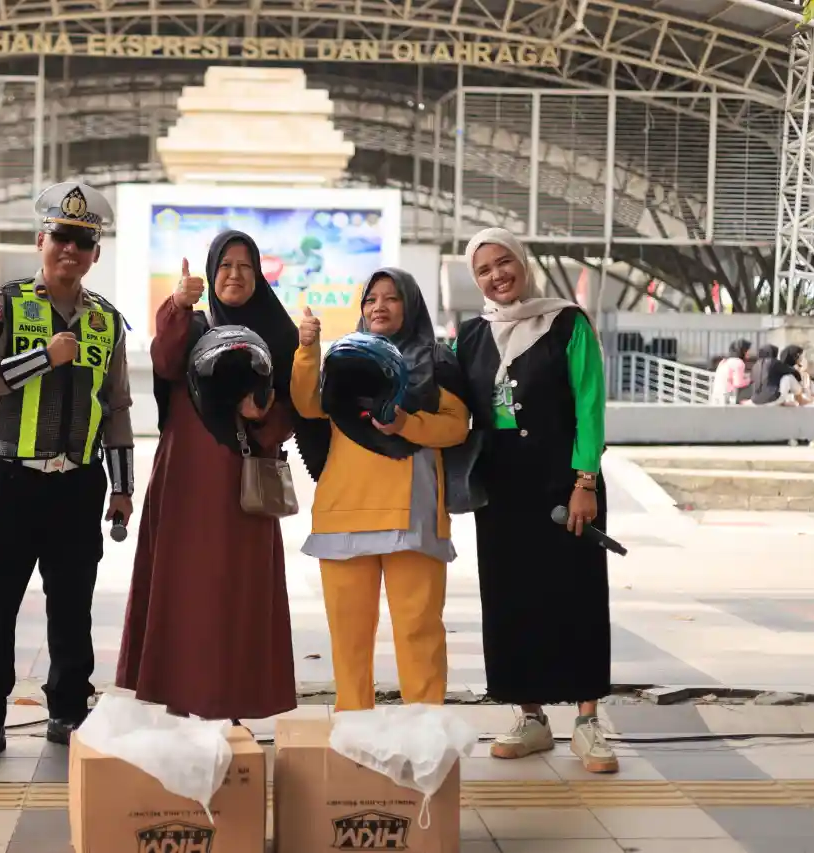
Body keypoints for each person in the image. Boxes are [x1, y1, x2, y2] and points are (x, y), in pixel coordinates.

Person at [0, 181, 135, 766]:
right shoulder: (4, 304)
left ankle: (68, 710)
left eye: (83, 242)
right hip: (8, 478)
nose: (70, 250)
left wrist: (124, 488)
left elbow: (118, 409)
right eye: (61, 237)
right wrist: (41, 357)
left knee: (72, 603)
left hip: (78, 485)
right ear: (40, 240)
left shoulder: (107, 322)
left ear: (95, 255)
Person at [116, 230, 300, 723]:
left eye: (245, 266)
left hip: (241, 484)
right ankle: (180, 696)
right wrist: (176, 304)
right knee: (183, 588)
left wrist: (262, 413)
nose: (235, 275)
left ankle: (231, 701)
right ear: (211, 271)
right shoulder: (192, 326)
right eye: (225, 266)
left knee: (234, 591)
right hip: (186, 479)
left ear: (258, 274)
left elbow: (293, 410)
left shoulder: (279, 335)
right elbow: (165, 360)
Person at [455, 227, 616, 774]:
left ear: (522, 263)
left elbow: (589, 403)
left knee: (577, 591)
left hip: (563, 480)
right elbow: (454, 407)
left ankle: (589, 722)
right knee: (511, 597)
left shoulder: (566, 322)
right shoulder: (470, 335)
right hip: (500, 488)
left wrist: (585, 480)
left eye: (505, 263)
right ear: (474, 278)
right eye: (484, 269)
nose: (497, 275)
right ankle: (531, 717)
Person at [290, 269, 469, 712]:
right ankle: (353, 729)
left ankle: (425, 732)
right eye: (371, 299)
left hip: (413, 511)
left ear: (411, 305)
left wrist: (407, 423)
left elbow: (456, 427)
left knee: (418, 630)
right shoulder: (344, 357)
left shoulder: (437, 360)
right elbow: (308, 405)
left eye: (392, 298)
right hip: (343, 510)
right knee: (348, 635)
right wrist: (308, 350)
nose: (380, 306)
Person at [709, 338, 751, 405]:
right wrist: (750, 379)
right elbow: (738, 383)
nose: (749, 352)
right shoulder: (738, 363)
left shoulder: (724, 361)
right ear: (741, 351)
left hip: (715, 396)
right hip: (726, 398)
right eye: (747, 350)